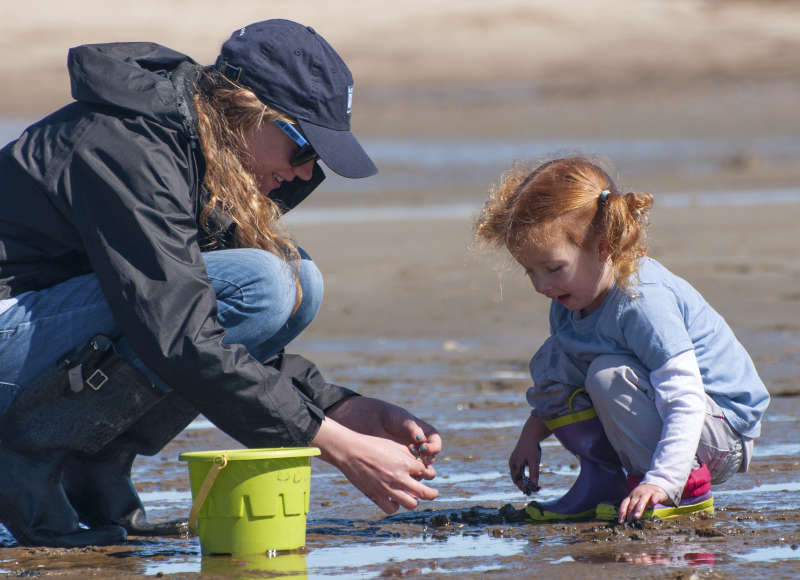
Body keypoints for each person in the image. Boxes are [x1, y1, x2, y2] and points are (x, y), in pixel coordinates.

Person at [0, 19, 441, 548]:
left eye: (319, 161)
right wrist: (332, 443)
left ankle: (95, 463)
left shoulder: (197, 143)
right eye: (304, 151)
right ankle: (26, 458)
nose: (307, 174)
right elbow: (180, 333)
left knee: (299, 282)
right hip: (11, 321)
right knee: (265, 283)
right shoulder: (129, 145)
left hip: (46, 326)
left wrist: (339, 406)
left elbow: (189, 317)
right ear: (245, 107)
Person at [474, 156, 769, 523]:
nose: (540, 285)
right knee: (557, 359)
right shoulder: (568, 302)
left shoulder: (642, 302)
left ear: (603, 245)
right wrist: (532, 434)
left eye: (552, 269)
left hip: (720, 428)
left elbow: (685, 397)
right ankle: (606, 482)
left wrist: (664, 480)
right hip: (668, 419)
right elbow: (567, 376)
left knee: (607, 375)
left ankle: (684, 489)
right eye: (529, 271)